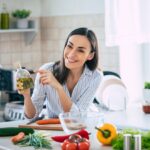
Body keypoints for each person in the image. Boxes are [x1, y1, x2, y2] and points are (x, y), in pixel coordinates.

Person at [17, 27, 103, 119]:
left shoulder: (95, 77)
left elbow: (76, 117)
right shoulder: (47, 70)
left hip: (82, 129)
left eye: (80, 50)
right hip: (53, 131)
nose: (71, 54)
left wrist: (58, 87)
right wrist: (26, 96)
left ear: (90, 55)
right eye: (69, 46)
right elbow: (32, 116)